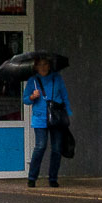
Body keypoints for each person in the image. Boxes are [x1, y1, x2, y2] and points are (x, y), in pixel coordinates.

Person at [24, 56, 70, 188]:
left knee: (56, 149)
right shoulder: (33, 81)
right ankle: (32, 177)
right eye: (40, 65)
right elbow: (25, 100)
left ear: (50, 66)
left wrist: (67, 114)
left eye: (45, 64)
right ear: (36, 67)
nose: (43, 67)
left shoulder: (57, 78)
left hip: (56, 118)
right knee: (40, 146)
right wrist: (33, 96)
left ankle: (53, 178)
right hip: (40, 118)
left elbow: (64, 96)